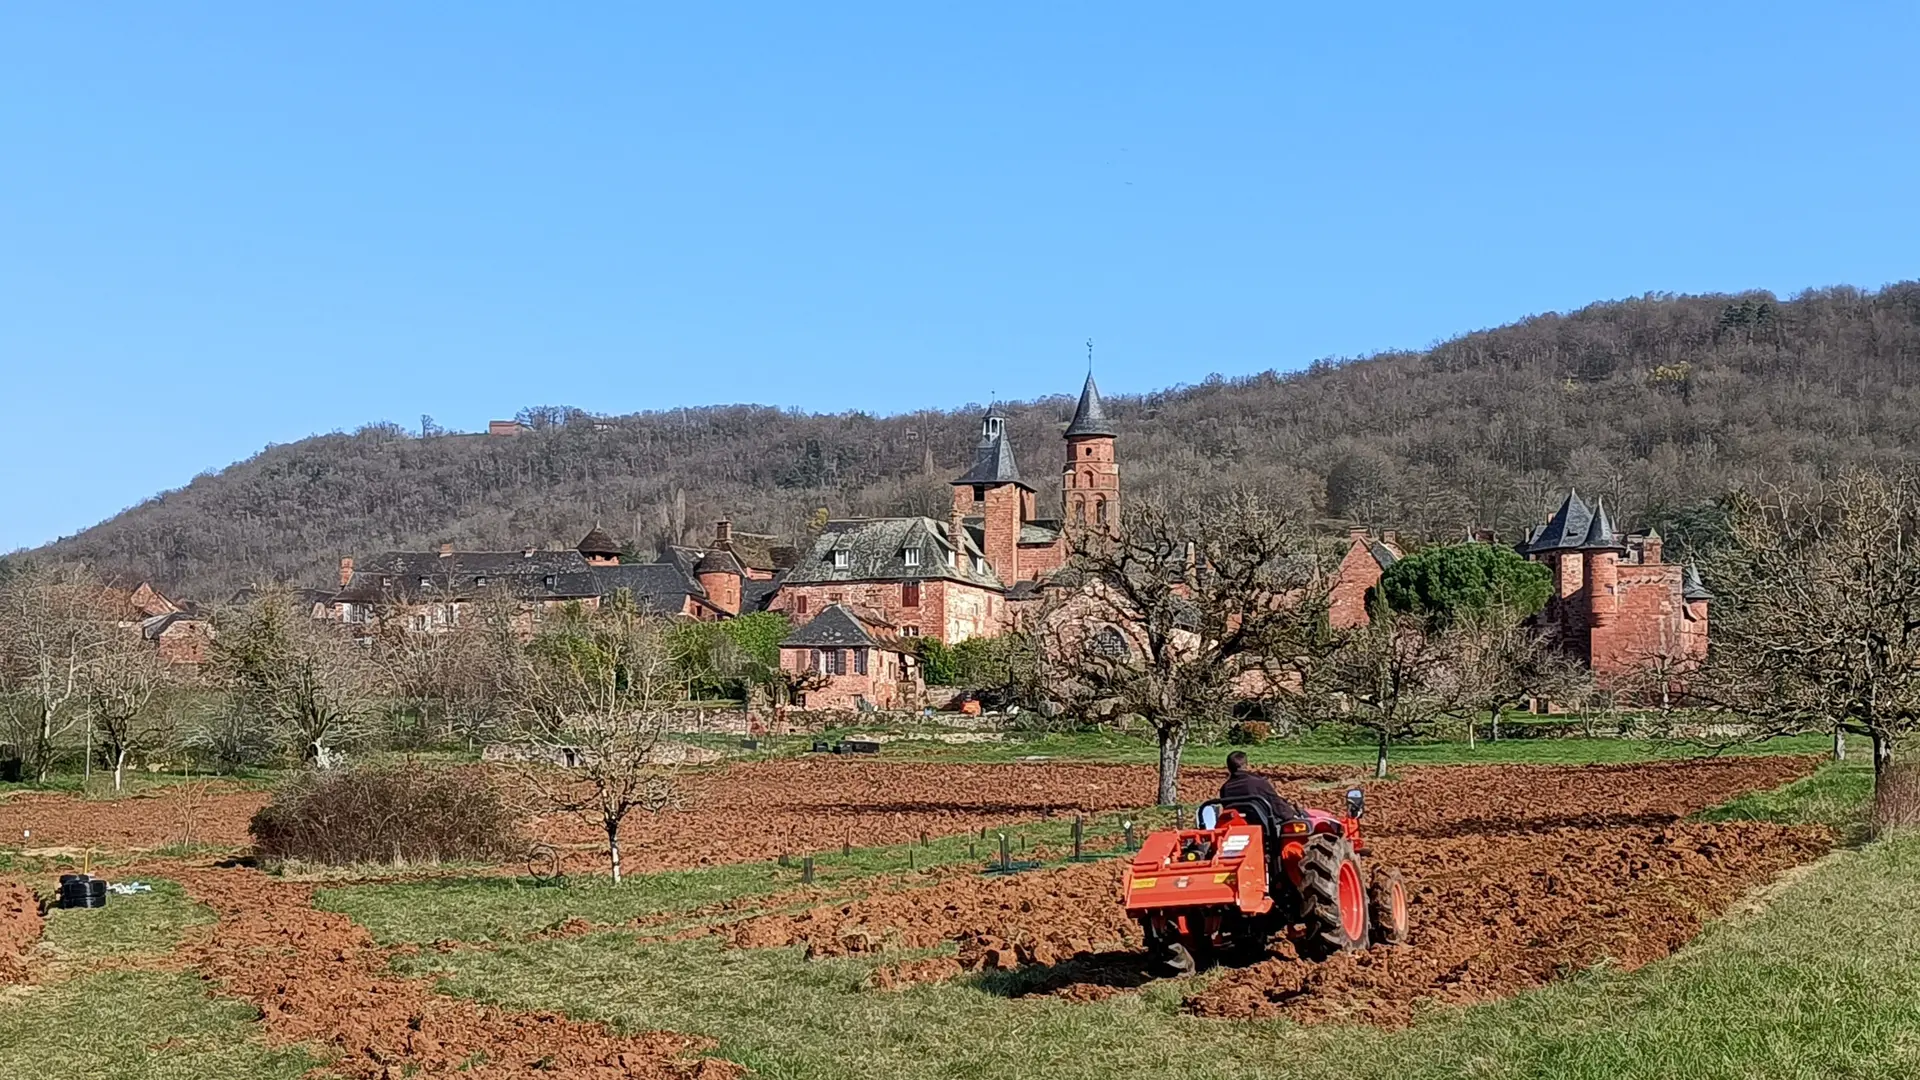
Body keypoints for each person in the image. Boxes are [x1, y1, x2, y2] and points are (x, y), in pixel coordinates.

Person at [1218, 751, 1302, 820]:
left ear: (1228, 767)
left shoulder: (1225, 788)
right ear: (1246, 765)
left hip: (1239, 825)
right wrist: (1293, 815)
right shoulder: (1258, 783)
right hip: (1264, 826)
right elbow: (1276, 804)